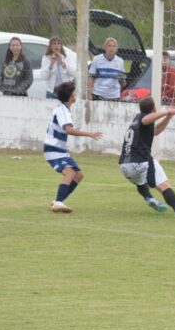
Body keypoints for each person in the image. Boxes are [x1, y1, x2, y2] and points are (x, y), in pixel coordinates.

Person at [119, 97, 175, 219]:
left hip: (125, 166)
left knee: (140, 181)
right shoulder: (143, 118)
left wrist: (168, 117)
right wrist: (167, 111)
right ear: (154, 108)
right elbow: (146, 119)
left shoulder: (136, 119)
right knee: (164, 185)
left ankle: (149, 198)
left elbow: (155, 131)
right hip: (140, 161)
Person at [43, 82, 103, 213]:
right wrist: (89, 134)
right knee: (70, 173)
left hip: (60, 150)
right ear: (70, 96)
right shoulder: (63, 111)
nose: (75, 95)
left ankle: (58, 200)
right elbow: (68, 130)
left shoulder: (62, 109)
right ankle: (59, 202)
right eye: (74, 92)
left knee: (78, 175)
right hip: (53, 149)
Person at [88, 37, 125, 101]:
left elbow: (121, 80)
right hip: (98, 93)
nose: (111, 48)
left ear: (116, 49)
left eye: (114, 46)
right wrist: (89, 93)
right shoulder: (97, 59)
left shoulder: (120, 61)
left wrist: (120, 93)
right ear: (105, 48)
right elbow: (91, 78)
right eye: (109, 46)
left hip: (113, 95)